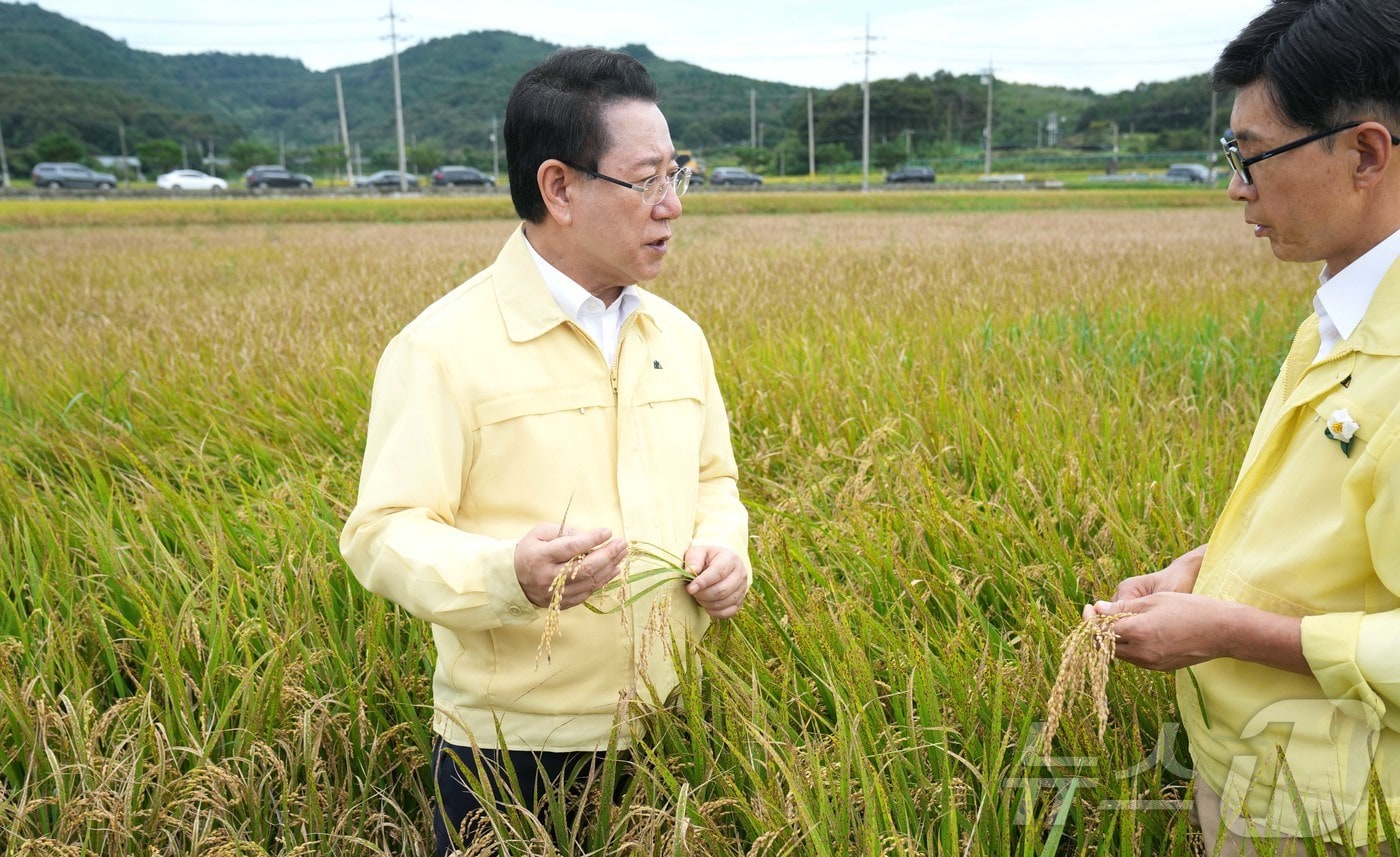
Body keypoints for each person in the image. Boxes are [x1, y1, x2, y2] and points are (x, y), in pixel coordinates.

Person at [339, 47, 751, 854]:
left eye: (679, 174)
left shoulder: (677, 337)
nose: (672, 205)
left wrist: (726, 549)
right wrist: (507, 576)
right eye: (647, 181)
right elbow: (382, 532)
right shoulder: (443, 349)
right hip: (509, 753)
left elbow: (715, 478)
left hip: (671, 723)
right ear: (559, 187)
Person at [1086, 1, 1400, 853]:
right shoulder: (1339, 314)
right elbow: (1318, 535)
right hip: (1267, 772)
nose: (1235, 187)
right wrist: (1202, 570)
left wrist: (1227, 629)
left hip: (1344, 810)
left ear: (1365, 153)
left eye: (1252, 157)